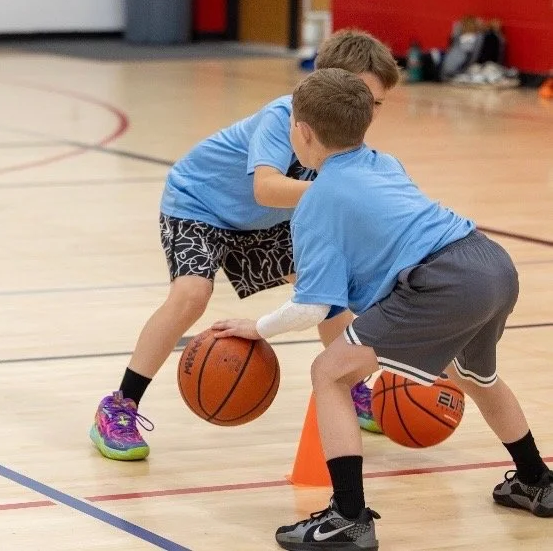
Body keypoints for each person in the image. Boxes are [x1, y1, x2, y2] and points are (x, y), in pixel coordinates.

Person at [212, 68, 551, 550]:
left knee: (330, 372)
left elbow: (312, 308)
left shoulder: (318, 201)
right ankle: (537, 480)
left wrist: (258, 327)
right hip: (490, 262)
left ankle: (348, 517)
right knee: (476, 377)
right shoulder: (383, 162)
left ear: (302, 134)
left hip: (443, 281)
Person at [90, 30, 401, 461]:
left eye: (376, 103)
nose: (367, 111)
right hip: (199, 205)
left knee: (326, 290)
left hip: (262, 222)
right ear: (329, 83)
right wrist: (340, 194)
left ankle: (350, 385)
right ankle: (119, 405)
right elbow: (267, 188)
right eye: (361, 97)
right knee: (192, 294)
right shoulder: (282, 118)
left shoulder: (348, 139)